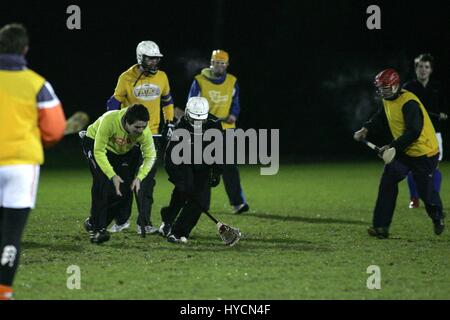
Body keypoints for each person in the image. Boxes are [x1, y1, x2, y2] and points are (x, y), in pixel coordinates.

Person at [0, 23, 66, 300]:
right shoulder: (38, 84)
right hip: (21, 166)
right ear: (25, 49)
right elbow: (54, 130)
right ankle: (4, 291)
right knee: (11, 233)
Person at [354, 68, 445, 238]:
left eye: (385, 88)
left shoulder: (409, 103)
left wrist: (391, 146)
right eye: (380, 88)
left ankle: (437, 216)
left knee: (425, 192)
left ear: (395, 86)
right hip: (404, 151)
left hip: (424, 153)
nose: (382, 91)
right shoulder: (387, 99)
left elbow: (414, 131)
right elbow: (381, 116)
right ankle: (380, 227)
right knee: (388, 182)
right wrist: (366, 128)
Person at [106, 40, 175, 234]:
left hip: (152, 136)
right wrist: (110, 124)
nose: (154, 62)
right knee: (124, 180)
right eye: (150, 59)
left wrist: (169, 122)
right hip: (128, 138)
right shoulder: (126, 77)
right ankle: (121, 220)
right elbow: (113, 103)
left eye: (156, 59)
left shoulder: (162, 77)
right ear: (140, 58)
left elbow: (167, 101)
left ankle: (144, 223)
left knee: (146, 181)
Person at [82, 104, 156, 243]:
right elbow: (99, 151)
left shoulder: (144, 132)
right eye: (137, 127)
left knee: (124, 193)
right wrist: (112, 175)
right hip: (94, 145)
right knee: (103, 184)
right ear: (127, 122)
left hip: (121, 152)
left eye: (143, 127)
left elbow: (150, 156)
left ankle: (93, 223)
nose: (141, 131)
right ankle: (98, 231)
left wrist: (139, 178)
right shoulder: (110, 120)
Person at [187, 49, 249, 214]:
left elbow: (235, 102)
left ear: (227, 65)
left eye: (222, 63)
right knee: (204, 168)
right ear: (211, 63)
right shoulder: (199, 81)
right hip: (205, 130)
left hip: (227, 130)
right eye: (216, 62)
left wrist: (234, 115)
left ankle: (238, 203)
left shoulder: (232, 81)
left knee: (230, 167)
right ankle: (202, 203)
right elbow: (191, 103)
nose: (219, 65)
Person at [159, 97, 223, 243]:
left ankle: (178, 230)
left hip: (203, 165)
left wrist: (217, 171)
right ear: (187, 114)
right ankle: (170, 223)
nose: (198, 124)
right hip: (184, 164)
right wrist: (177, 178)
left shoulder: (214, 124)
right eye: (194, 120)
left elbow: (219, 149)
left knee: (202, 202)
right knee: (184, 191)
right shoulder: (179, 127)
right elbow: (170, 157)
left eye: (201, 121)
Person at [403, 53, 448, 209]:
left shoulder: (437, 87)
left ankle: (432, 199)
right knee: (412, 168)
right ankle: (414, 199)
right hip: (414, 134)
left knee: (433, 168)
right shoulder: (408, 88)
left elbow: (444, 108)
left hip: (434, 133)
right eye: (420, 66)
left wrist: (443, 114)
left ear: (431, 70)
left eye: (426, 67)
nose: (423, 69)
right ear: (416, 69)